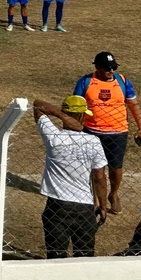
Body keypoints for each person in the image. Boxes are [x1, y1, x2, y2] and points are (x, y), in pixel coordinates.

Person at [33, 96, 108, 258]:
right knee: (85, 255)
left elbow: (37, 105)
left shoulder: (54, 137)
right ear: (82, 116)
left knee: (56, 254)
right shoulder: (93, 142)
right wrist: (102, 204)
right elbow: (99, 177)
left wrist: (61, 115)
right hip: (84, 206)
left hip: (57, 205)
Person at [74, 51, 141, 215]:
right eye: (107, 68)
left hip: (118, 132)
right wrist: (76, 130)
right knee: (96, 169)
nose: (111, 71)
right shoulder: (86, 82)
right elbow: (76, 108)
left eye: (113, 67)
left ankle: (113, 194)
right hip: (92, 132)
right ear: (97, 67)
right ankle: (97, 200)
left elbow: (133, 105)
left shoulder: (122, 82)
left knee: (116, 168)